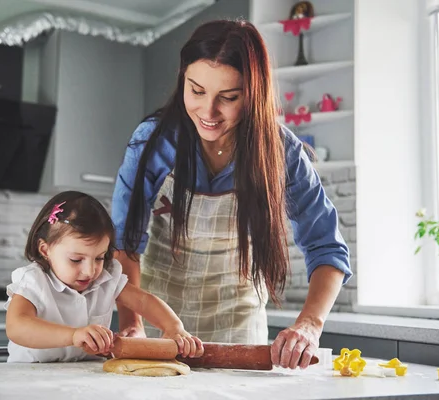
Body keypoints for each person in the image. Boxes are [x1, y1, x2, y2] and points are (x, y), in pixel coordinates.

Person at [111, 19, 352, 370]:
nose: (208, 112)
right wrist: (132, 325)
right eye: (196, 91)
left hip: (239, 330)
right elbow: (124, 242)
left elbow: (326, 247)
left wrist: (309, 326)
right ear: (183, 80)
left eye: (228, 98)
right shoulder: (153, 142)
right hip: (156, 327)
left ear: (254, 92)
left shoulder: (281, 152)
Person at [5, 191, 203, 363]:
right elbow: (17, 327)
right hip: (30, 377)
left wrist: (174, 327)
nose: (90, 271)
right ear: (45, 250)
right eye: (76, 260)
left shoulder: (106, 278)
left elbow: (144, 301)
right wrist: (73, 335)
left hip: (84, 377)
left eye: (99, 258)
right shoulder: (32, 280)